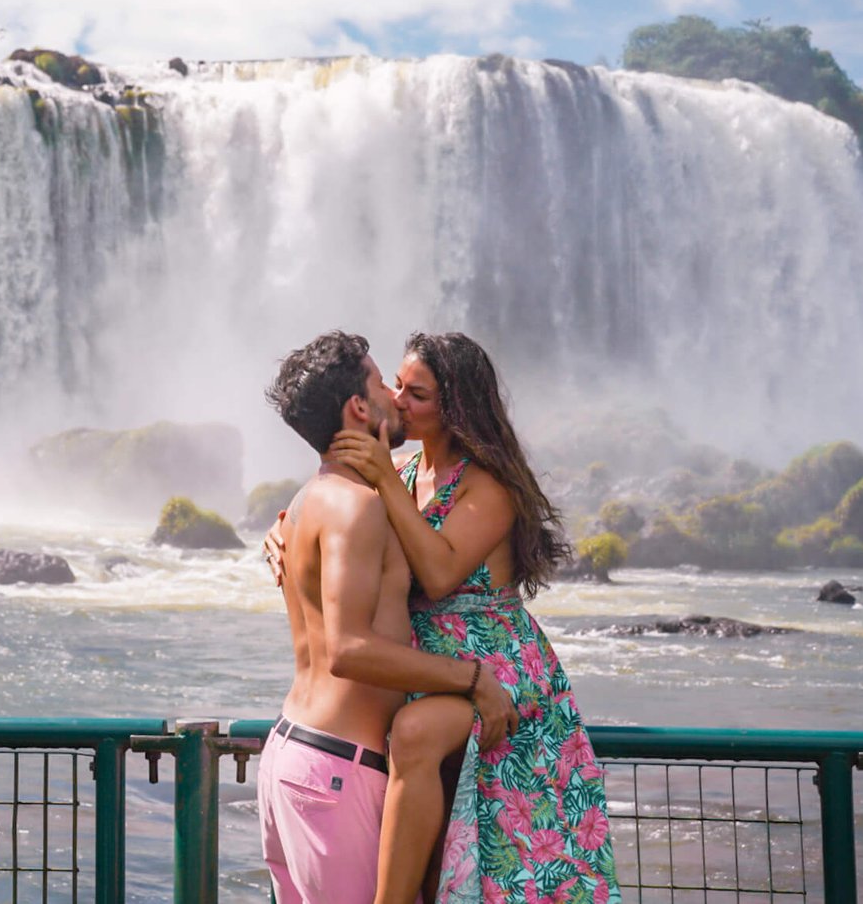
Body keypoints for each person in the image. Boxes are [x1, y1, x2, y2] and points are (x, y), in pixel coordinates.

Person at [324, 331, 621, 904]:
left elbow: (438, 575)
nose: (399, 401)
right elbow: (341, 528)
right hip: (432, 665)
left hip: (498, 664)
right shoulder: (407, 473)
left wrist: (383, 477)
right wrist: (282, 532)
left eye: (418, 394)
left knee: (510, 847)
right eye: (398, 387)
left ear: (456, 405)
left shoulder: (489, 485)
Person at [258, 330, 520, 904]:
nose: (395, 397)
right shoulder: (362, 502)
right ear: (358, 407)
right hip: (337, 768)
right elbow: (348, 650)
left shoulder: (321, 496)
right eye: (385, 384)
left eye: (411, 390)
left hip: (289, 755)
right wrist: (474, 679)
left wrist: (282, 532)